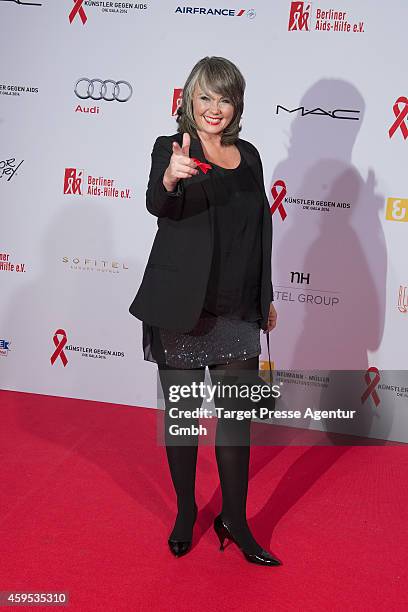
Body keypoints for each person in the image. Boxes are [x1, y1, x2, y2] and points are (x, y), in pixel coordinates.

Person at [129, 56, 280, 566]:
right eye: (205, 97)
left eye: (225, 97)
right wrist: (171, 178)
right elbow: (159, 204)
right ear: (189, 100)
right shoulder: (170, 148)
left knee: (236, 423)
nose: (215, 108)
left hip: (236, 308)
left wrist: (267, 297)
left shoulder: (251, 155)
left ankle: (234, 520)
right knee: (182, 421)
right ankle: (185, 510)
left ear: (237, 103)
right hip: (181, 309)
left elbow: (261, 232)